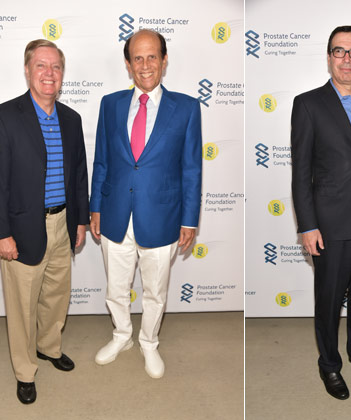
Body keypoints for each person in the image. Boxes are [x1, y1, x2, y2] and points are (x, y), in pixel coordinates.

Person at [0, 39, 89, 404]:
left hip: (63, 224)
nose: (49, 73)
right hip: (22, 229)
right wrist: (1, 234)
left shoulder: (71, 119)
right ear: (27, 70)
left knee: (56, 295)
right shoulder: (3, 117)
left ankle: (48, 347)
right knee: (22, 306)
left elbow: (79, 175)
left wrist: (80, 220)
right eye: (41, 65)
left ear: (62, 74)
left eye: (56, 66)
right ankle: (25, 371)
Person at [90, 29, 202, 379]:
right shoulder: (110, 104)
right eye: (137, 58)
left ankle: (149, 342)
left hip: (162, 216)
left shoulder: (186, 108)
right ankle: (122, 336)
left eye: (152, 56)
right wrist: (95, 207)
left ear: (164, 60)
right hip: (115, 214)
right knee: (116, 288)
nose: (145, 65)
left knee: (155, 291)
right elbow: (102, 160)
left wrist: (189, 219)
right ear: (128, 64)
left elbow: (191, 168)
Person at [291, 26, 351, 400]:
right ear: (329, 56)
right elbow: (301, 172)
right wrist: (307, 225)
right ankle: (329, 364)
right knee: (329, 300)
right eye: (339, 51)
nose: (347, 59)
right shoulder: (308, 104)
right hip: (330, 223)